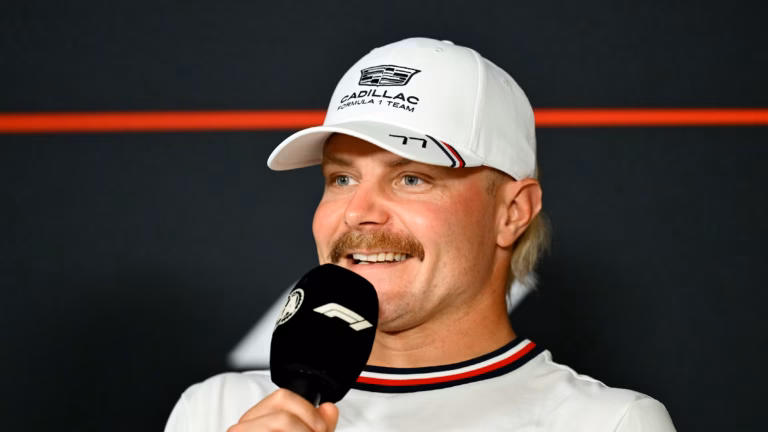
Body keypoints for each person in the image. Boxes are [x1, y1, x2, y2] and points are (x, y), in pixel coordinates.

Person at [165, 37, 676, 432]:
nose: (359, 213)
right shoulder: (217, 411)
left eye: (411, 178)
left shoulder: (608, 424)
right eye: (342, 178)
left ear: (512, 212)